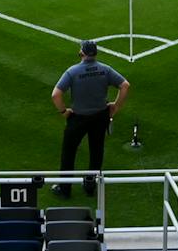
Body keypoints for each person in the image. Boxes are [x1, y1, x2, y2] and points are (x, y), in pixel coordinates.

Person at [52, 39, 128, 197]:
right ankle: (90, 185)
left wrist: (64, 111)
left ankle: (65, 189)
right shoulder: (105, 70)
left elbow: (56, 95)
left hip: (78, 118)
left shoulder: (72, 71)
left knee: (69, 152)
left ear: (82, 53)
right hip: (100, 116)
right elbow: (125, 85)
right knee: (96, 151)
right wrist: (116, 106)